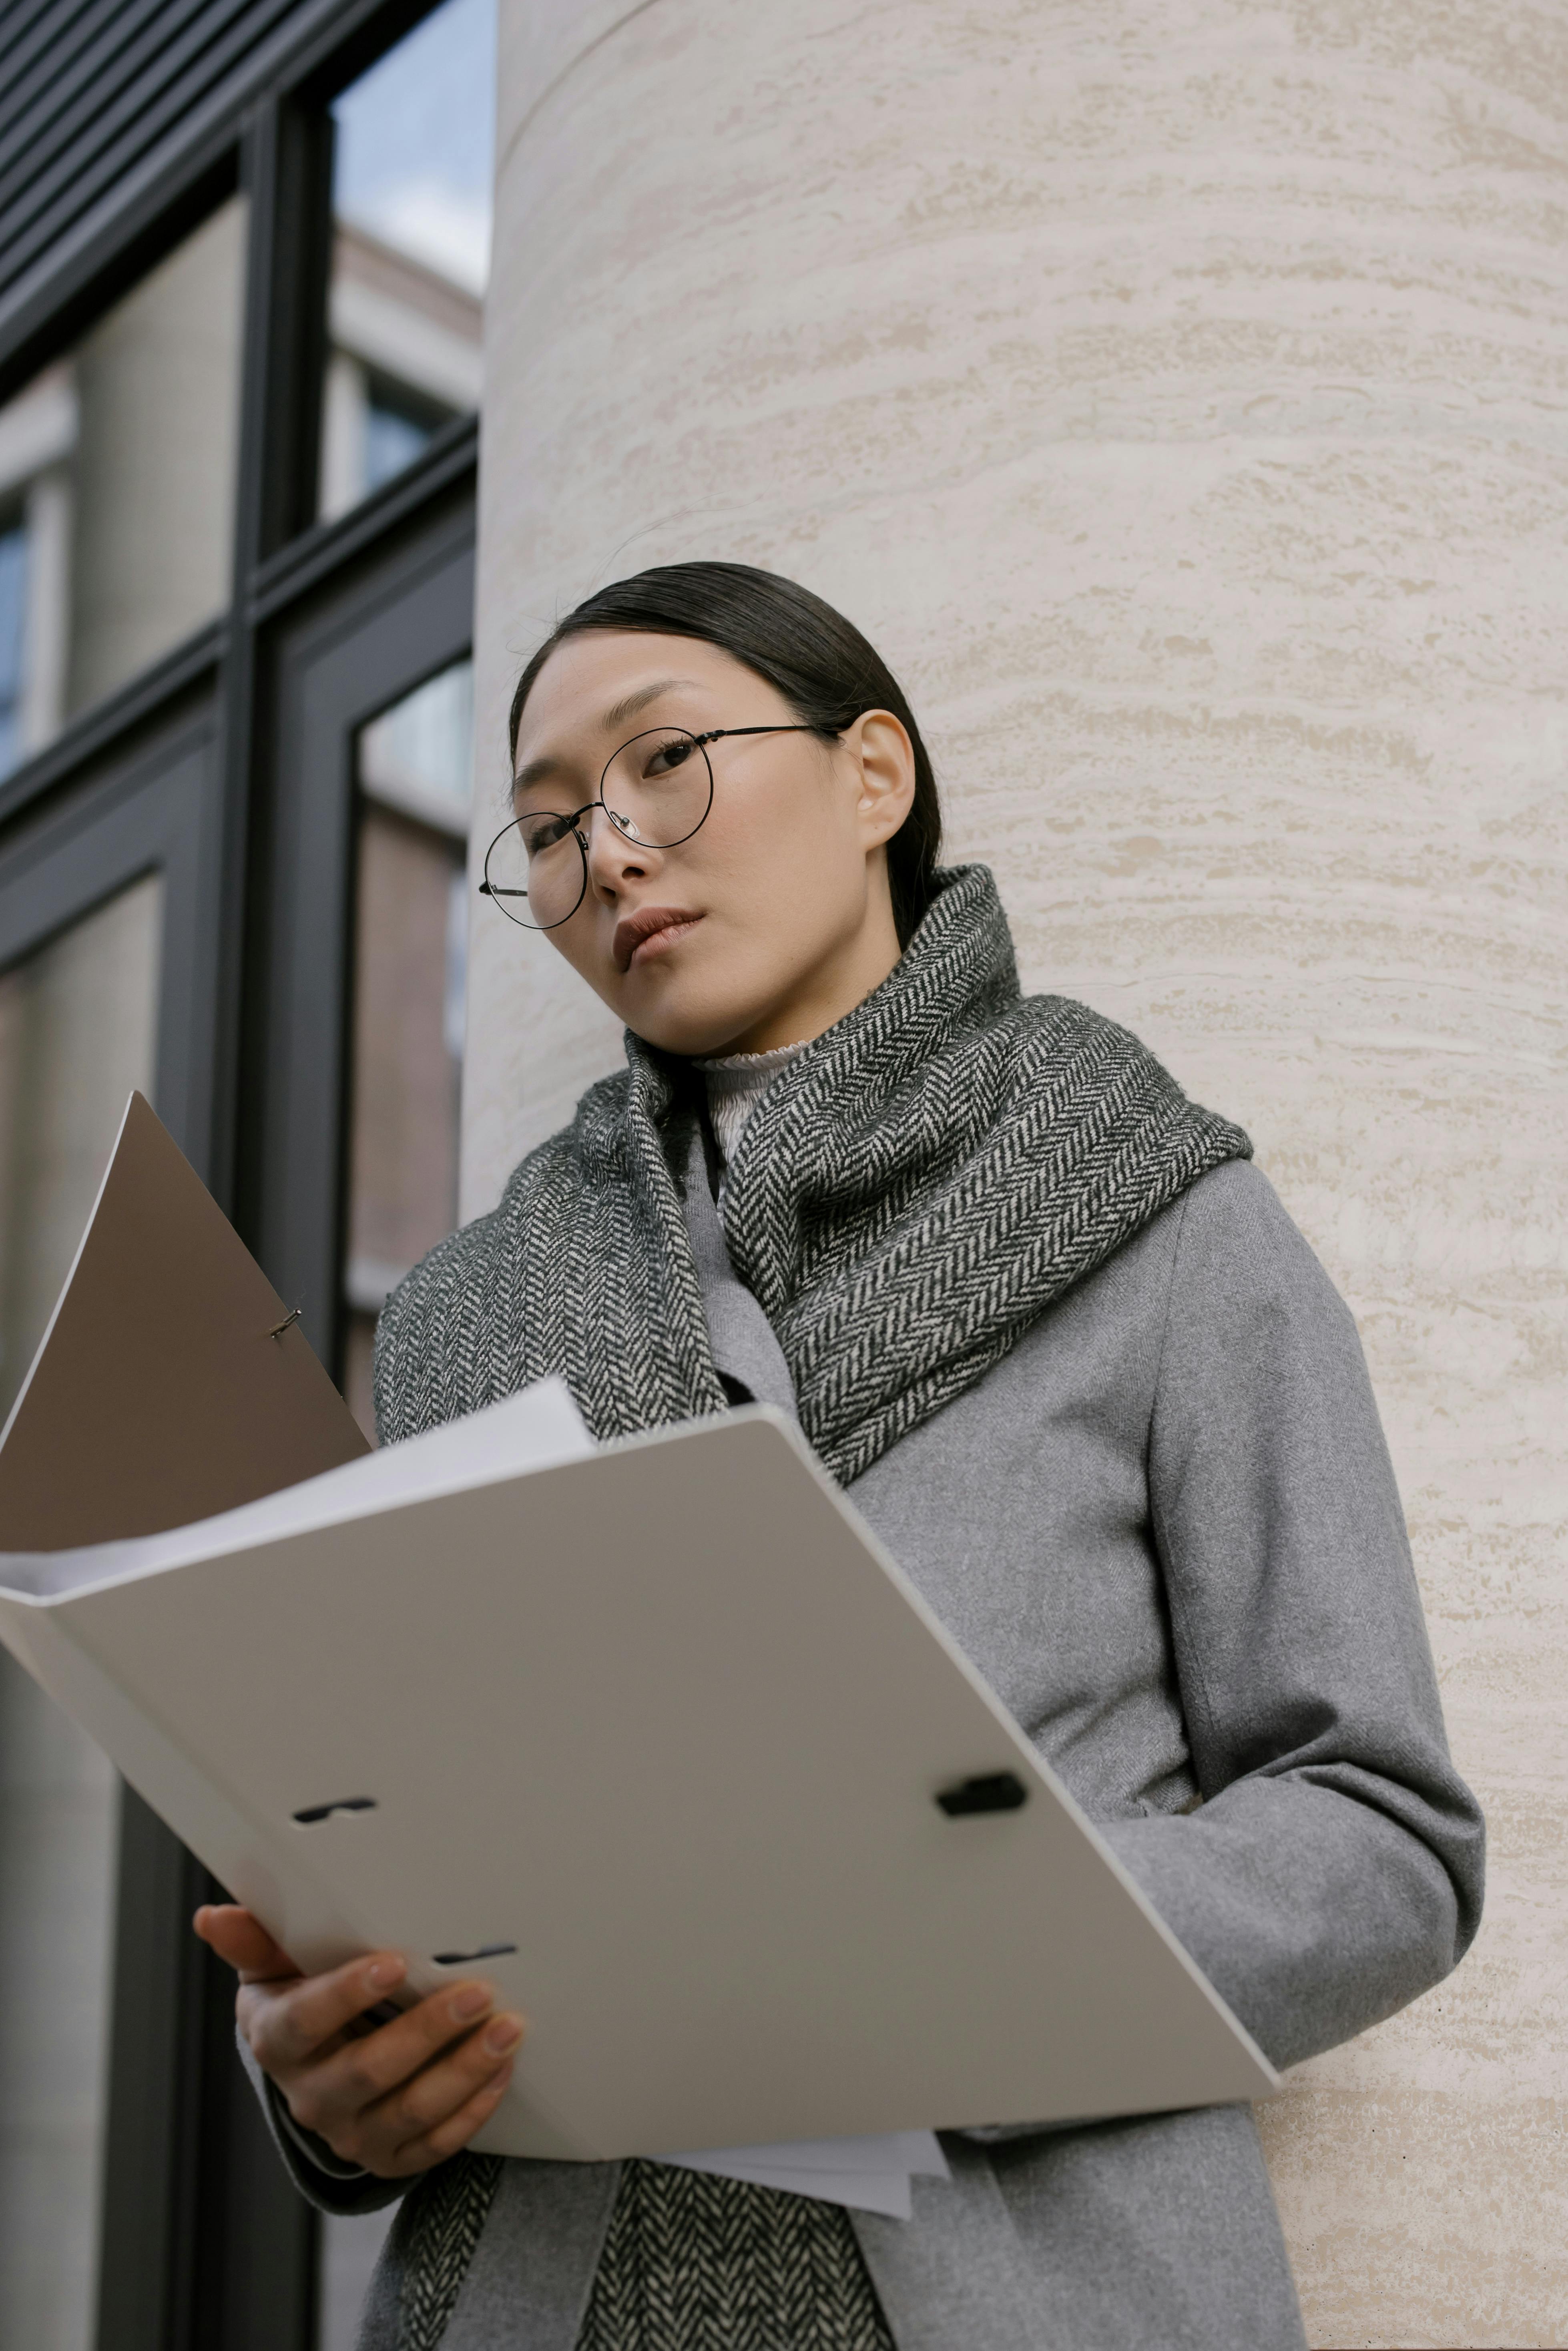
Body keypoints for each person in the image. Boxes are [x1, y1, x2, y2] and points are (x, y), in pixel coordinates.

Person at [198, 562, 1484, 2351]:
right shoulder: (460, 1318)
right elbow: (425, 1854)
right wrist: (325, 2088)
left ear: (873, 776)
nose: (614, 849)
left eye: (664, 760)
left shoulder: (1154, 1213)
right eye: (552, 827)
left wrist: (938, 1947)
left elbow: (1383, 1834)